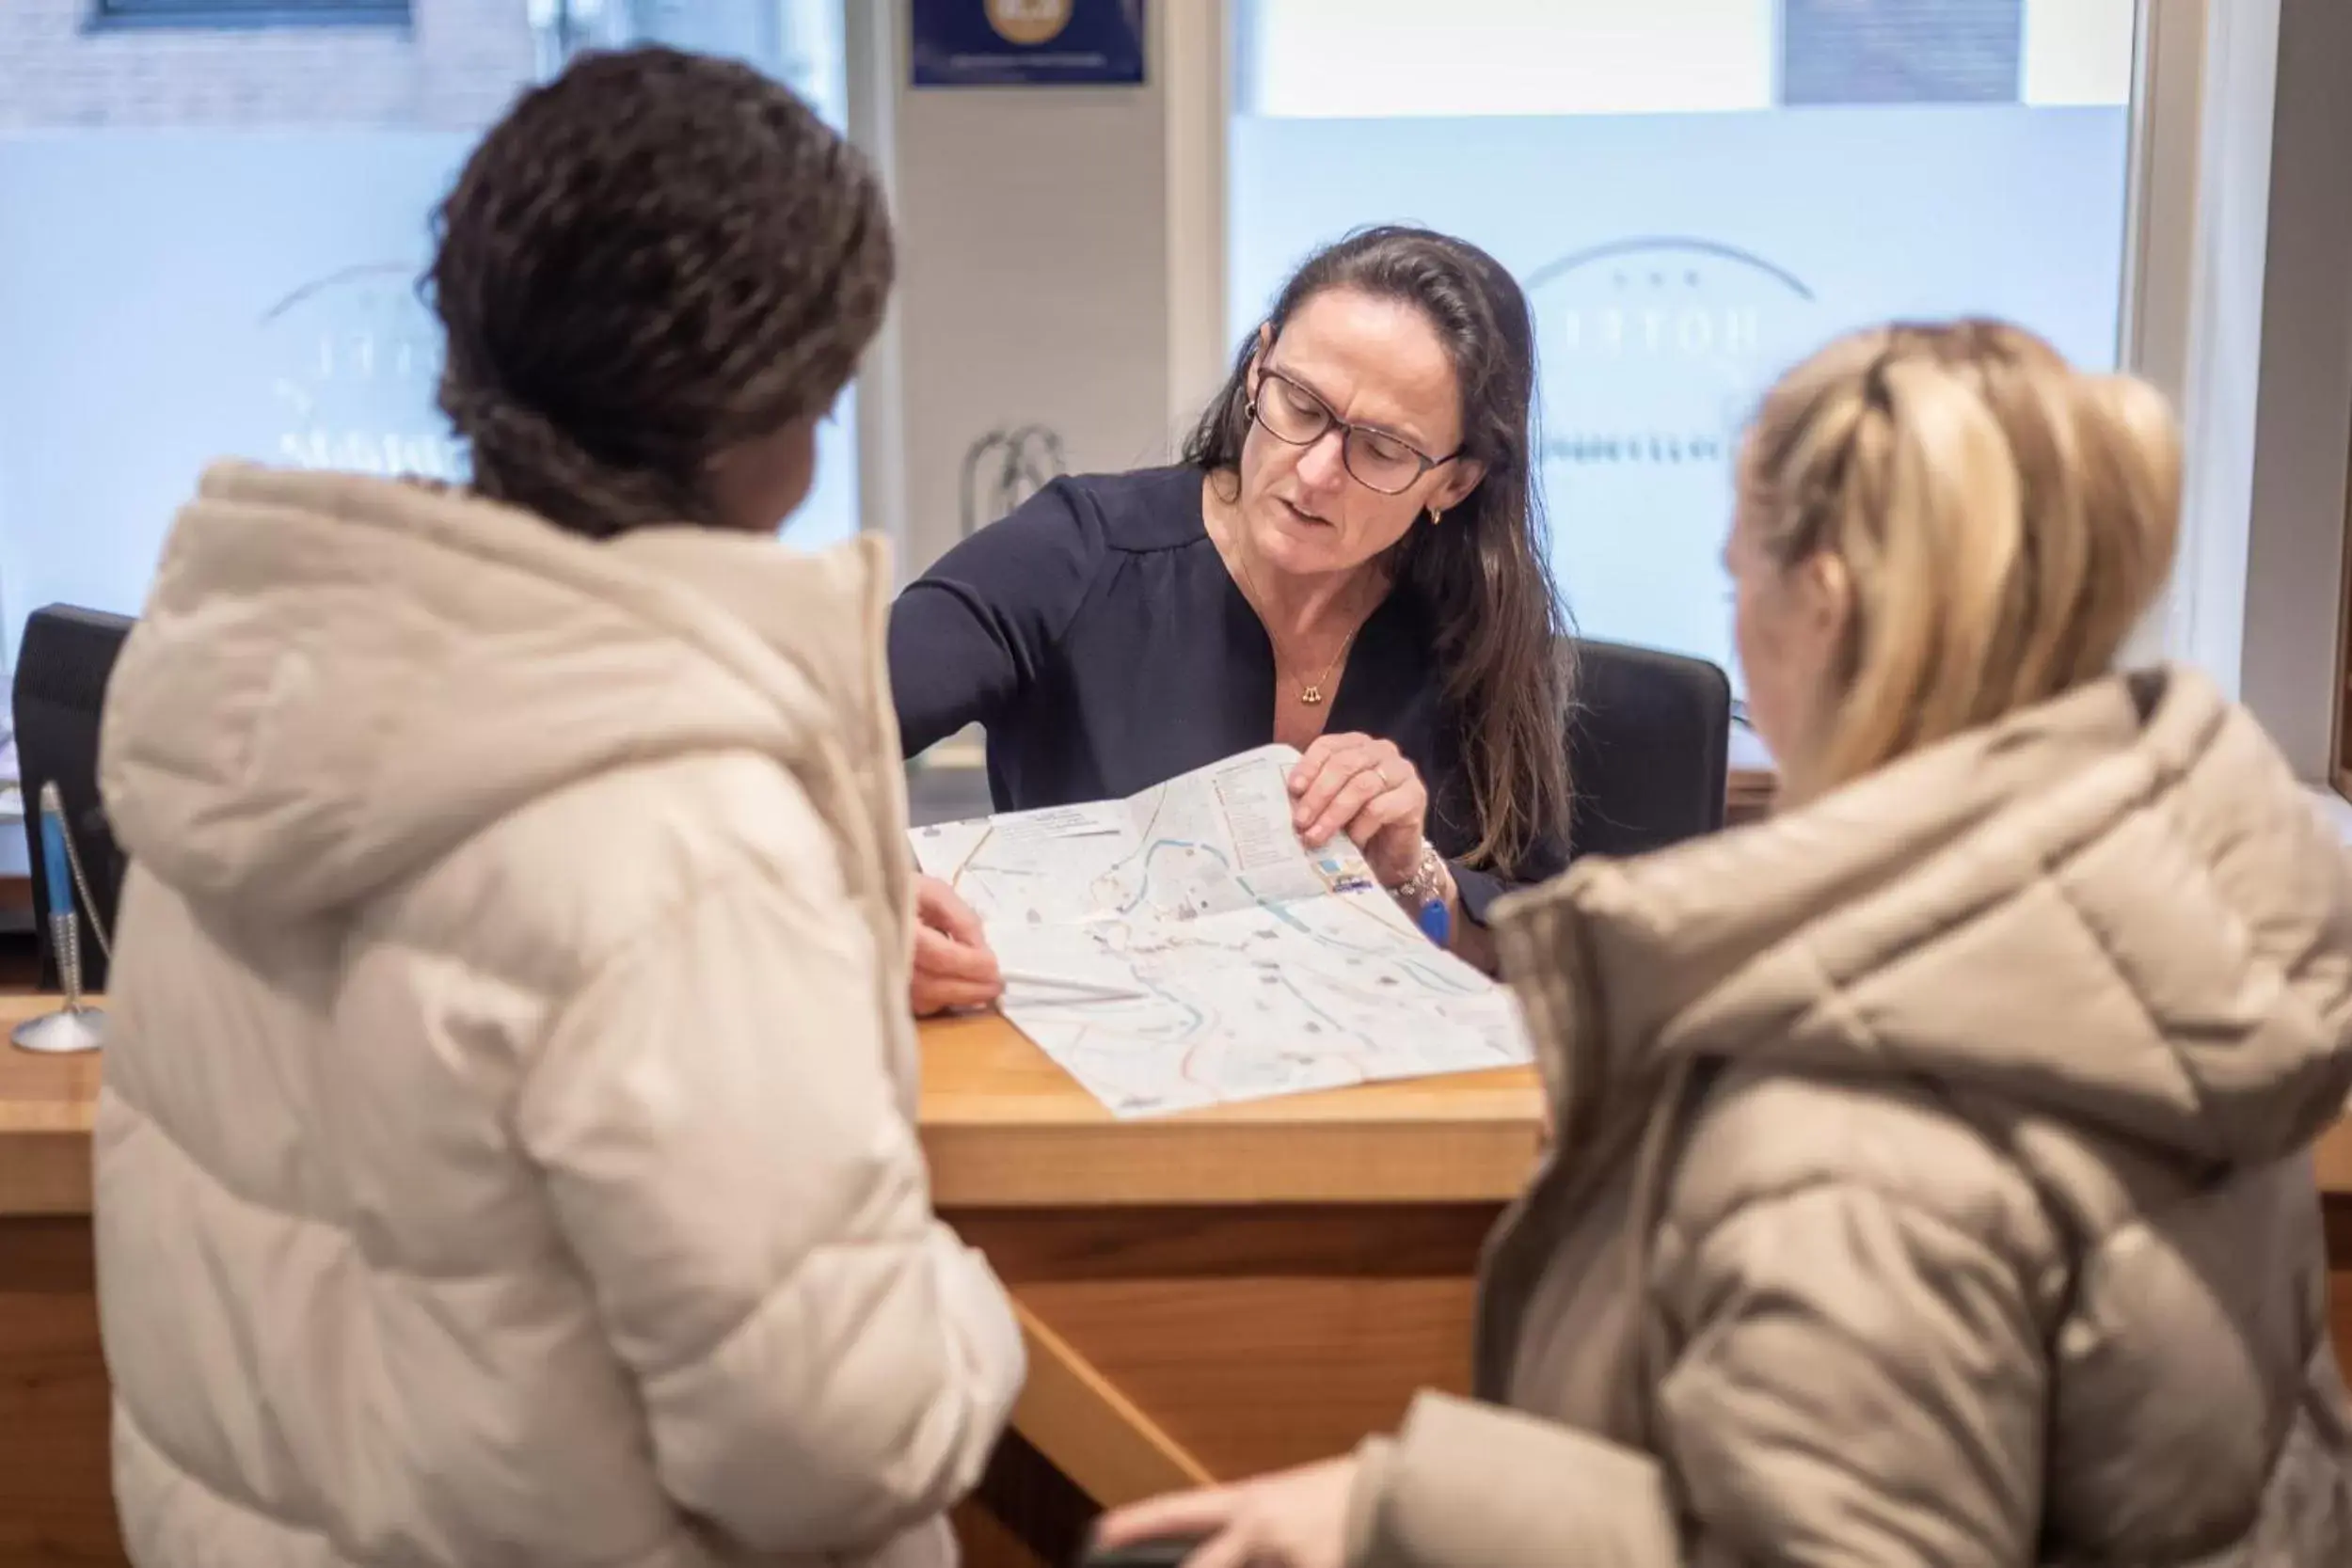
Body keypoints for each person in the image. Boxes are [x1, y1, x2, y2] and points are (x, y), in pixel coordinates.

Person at [1096, 320, 2352, 1566]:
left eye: (1735, 576)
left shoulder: (1853, 1099)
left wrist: (1410, 1507)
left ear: (1823, 604)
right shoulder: (2169, 924)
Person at [90, 47, 1021, 1568]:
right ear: (782, 407)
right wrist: (964, 1306)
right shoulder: (682, 830)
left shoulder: (278, 687)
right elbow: (837, 1441)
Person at [890, 226, 1573, 1009]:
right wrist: (871, 905)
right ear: (1258, 366)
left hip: (1371, 1104)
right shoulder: (1080, 550)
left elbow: (1538, 948)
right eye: (1301, 403)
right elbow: (801, 731)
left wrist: (1414, 879)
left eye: (1382, 451)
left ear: (1454, 484)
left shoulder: (1474, 631)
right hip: (1089, 1089)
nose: (1315, 473)